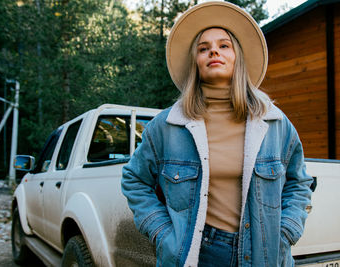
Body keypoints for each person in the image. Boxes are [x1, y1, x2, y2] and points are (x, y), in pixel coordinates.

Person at [121, 2, 313, 267]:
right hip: (200, 253)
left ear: (238, 58)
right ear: (196, 62)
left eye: (224, 45)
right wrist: (163, 233)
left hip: (264, 253)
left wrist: (286, 231)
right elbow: (134, 179)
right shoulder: (167, 126)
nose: (213, 51)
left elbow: (299, 182)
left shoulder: (274, 123)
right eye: (203, 48)